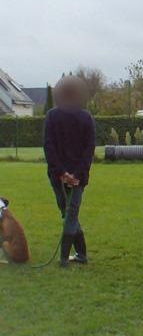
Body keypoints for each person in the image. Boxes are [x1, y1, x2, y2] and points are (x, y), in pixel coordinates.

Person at [43, 76, 95, 267]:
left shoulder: (53, 116)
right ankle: (81, 255)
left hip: (66, 176)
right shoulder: (84, 117)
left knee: (69, 214)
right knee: (69, 214)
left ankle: (64, 258)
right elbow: (88, 150)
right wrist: (70, 174)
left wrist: (66, 174)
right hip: (69, 176)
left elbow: (49, 147)